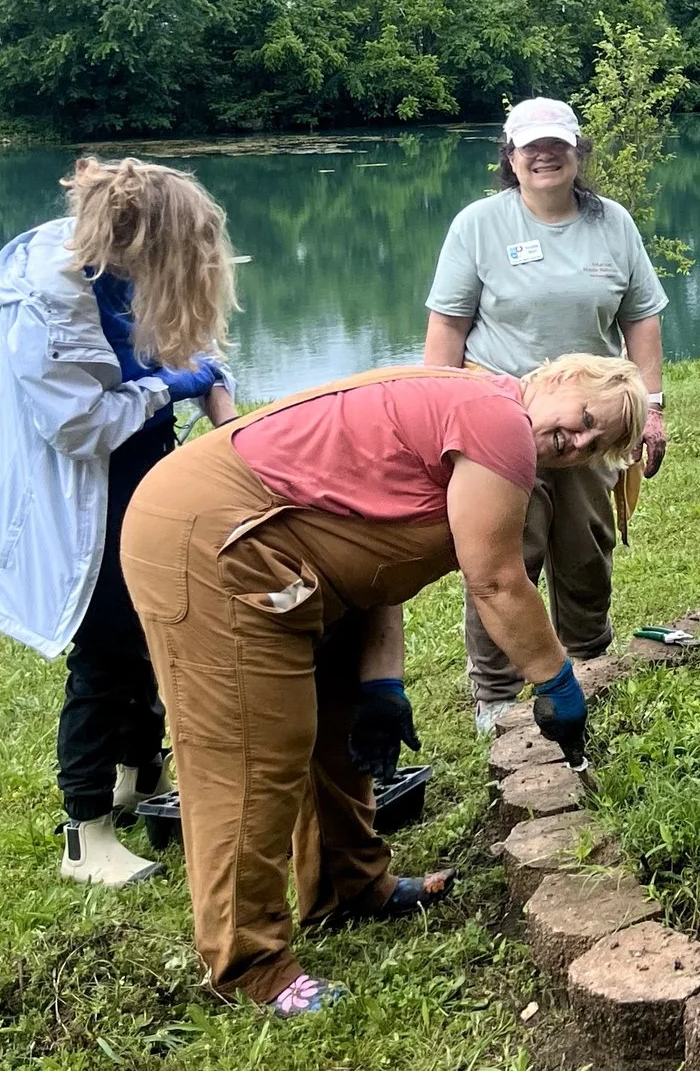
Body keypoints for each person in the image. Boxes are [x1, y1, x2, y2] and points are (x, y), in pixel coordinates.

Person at [117, 356, 643, 1015]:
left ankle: (348, 885)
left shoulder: (488, 414)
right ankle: (248, 966)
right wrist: (558, 680)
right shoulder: (498, 420)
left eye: (596, 445)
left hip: (288, 550)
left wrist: (381, 683)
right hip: (215, 537)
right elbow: (498, 581)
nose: (580, 440)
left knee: (340, 722)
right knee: (255, 752)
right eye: (587, 418)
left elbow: (373, 532)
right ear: (560, 378)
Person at [0, 156, 237, 888]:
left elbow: (195, 347)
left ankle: (137, 772)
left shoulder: (132, 273)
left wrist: (212, 399)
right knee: (101, 647)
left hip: (142, 473)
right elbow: (79, 426)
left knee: (145, 626)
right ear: (138, 238)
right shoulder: (48, 301)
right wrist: (167, 387)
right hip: (82, 489)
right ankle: (85, 831)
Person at [424, 96, 669, 735]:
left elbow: (641, 316)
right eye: (529, 146)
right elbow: (447, 327)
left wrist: (653, 408)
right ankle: (497, 696)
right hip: (498, 418)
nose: (544, 155)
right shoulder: (479, 225)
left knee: (587, 546)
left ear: (578, 152)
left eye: (556, 144)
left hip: (592, 416)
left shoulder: (612, 223)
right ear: (510, 157)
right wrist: (439, 416)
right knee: (505, 554)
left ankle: (588, 663)